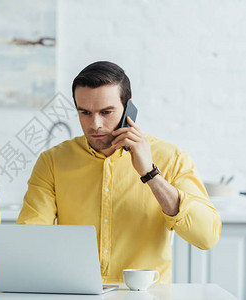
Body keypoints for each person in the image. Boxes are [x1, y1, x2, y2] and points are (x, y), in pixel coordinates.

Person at [17, 61, 221, 283]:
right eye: (84, 112)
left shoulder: (171, 158)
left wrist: (150, 174)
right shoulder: (53, 161)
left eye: (106, 112)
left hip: (146, 297)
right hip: (77, 293)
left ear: (128, 108)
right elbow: (30, 241)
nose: (95, 124)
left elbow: (206, 237)